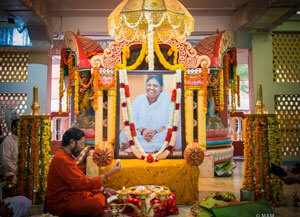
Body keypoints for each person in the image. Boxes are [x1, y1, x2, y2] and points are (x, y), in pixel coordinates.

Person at [45, 127, 121, 217]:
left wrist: (103, 189)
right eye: (81, 143)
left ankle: (100, 212)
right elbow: (81, 183)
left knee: (100, 195)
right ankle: (100, 213)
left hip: (73, 195)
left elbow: (80, 180)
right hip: (61, 203)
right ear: (72, 142)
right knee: (96, 204)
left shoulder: (67, 157)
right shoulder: (61, 159)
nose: (83, 147)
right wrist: (109, 173)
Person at [120, 75, 181, 153]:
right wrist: (143, 131)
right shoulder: (139, 99)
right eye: (149, 85)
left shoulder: (167, 100)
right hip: (140, 134)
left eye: (155, 86)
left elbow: (172, 121)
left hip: (159, 134)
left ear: (161, 87)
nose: (151, 88)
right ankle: (157, 149)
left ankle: (138, 147)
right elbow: (132, 119)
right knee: (124, 133)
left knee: (174, 135)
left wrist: (155, 132)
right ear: (146, 86)